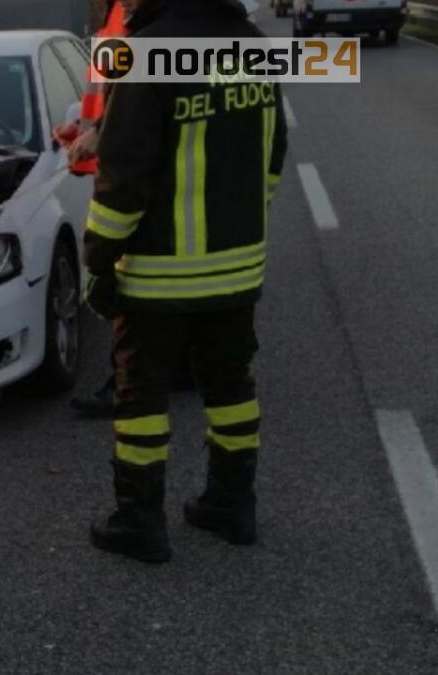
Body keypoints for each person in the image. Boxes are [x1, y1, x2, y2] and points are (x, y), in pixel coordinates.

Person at [84, 0, 288, 563]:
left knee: (142, 393)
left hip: (158, 273)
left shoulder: (146, 54)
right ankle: (231, 504)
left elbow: (123, 176)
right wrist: (244, 224)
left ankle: (140, 521)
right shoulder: (252, 44)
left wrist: (99, 260)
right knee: (230, 386)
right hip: (238, 266)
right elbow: (273, 152)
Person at [52, 0, 131, 419]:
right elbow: (107, 98)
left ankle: (123, 382)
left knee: (123, 280)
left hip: (125, 167)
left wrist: (98, 134)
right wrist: (83, 131)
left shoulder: (130, 18)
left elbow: (140, 93)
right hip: (111, 159)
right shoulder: (112, 19)